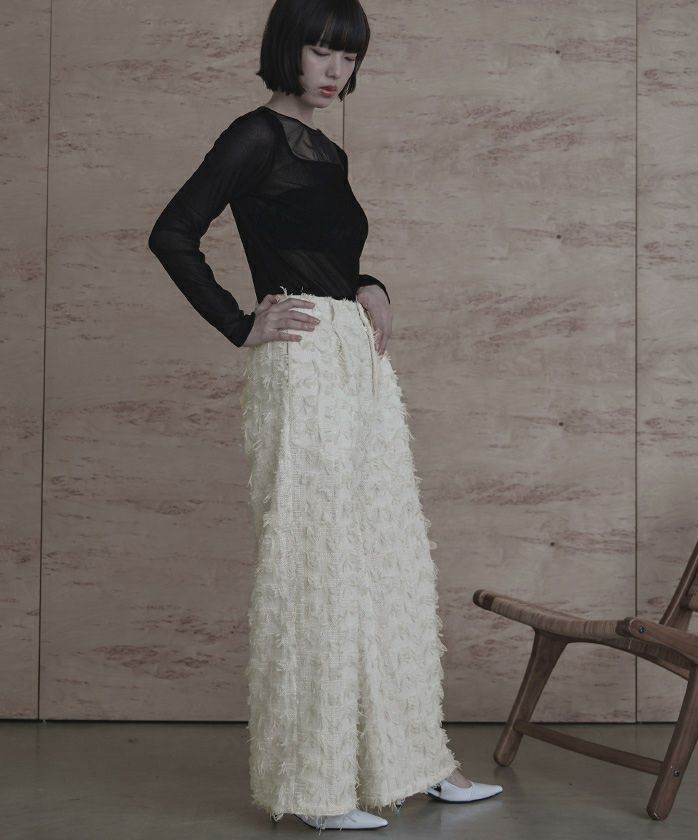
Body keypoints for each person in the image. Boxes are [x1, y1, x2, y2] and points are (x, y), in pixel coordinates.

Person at [148, 0, 503, 831]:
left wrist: (371, 283)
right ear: (288, 50)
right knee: (315, 567)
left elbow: (332, 256)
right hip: (302, 364)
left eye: (348, 55)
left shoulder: (329, 151)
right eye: (320, 50)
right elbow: (173, 233)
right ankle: (313, 783)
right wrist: (240, 322)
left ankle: (415, 760)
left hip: (357, 361)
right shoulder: (254, 137)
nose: (335, 69)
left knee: (387, 557)